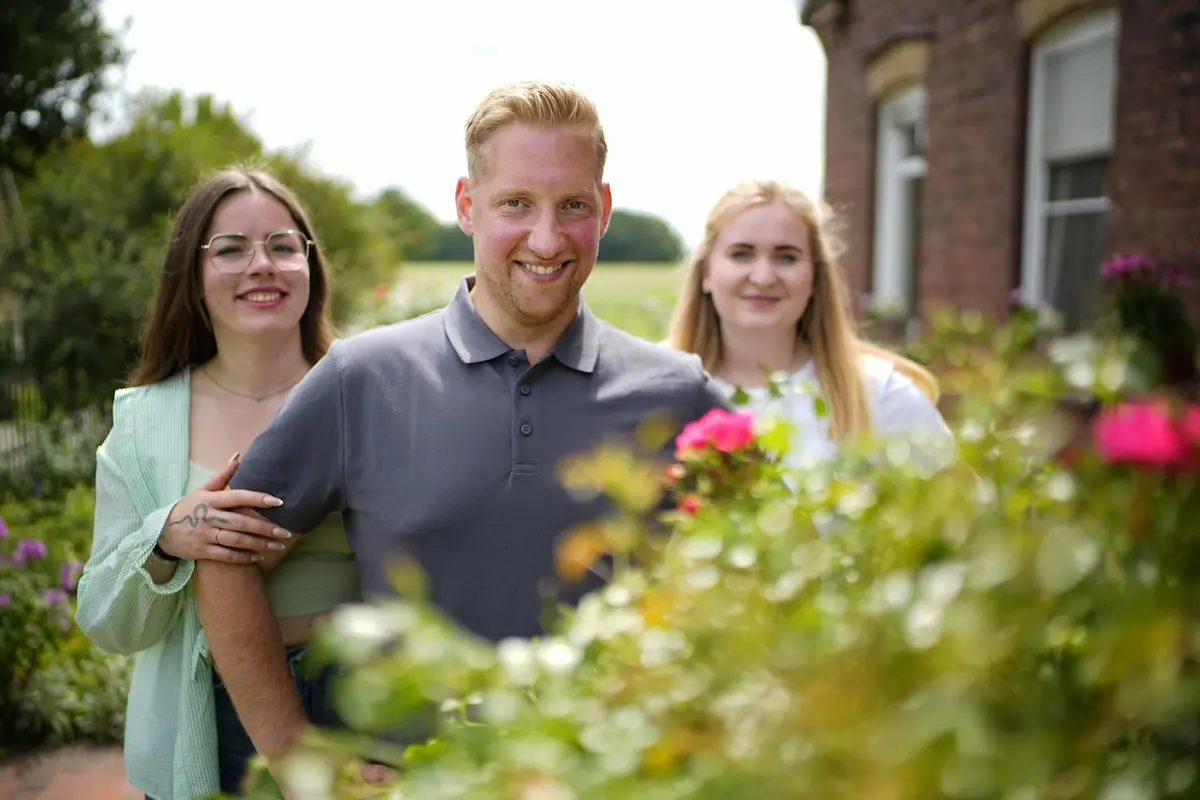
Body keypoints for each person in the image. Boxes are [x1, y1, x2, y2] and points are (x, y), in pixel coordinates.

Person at [190, 80, 731, 778]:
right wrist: (300, 763)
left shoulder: (680, 394)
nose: (547, 238)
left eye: (572, 206)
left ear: (602, 210)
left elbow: (772, 573)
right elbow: (225, 559)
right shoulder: (363, 377)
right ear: (467, 206)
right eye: (516, 204)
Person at [75, 167, 362, 800]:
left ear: (310, 267)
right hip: (210, 714)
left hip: (366, 699)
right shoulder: (145, 421)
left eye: (282, 246)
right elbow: (104, 620)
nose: (262, 265)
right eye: (230, 250)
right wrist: (164, 540)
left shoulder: (368, 390)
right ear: (193, 278)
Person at [666, 179, 953, 473]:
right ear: (706, 272)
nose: (763, 277)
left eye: (786, 257)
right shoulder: (653, 387)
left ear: (815, 276)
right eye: (741, 254)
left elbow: (964, 500)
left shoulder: (880, 393)